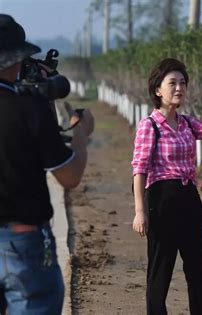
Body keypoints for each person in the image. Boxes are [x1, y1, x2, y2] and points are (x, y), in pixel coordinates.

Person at [131, 58, 202, 314]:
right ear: (158, 90)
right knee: (160, 271)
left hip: (189, 199)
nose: (179, 88)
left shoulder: (186, 123)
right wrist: (140, 210)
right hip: (161, 201)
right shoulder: (149, 126)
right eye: (172, 83)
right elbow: (139, 169)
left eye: (183, 83)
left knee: (196, 270)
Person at [0, 14, 94, 314]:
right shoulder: (28, 108)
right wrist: (80, 130)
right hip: (21, 242)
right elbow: (69, 176)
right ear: (13, 59)